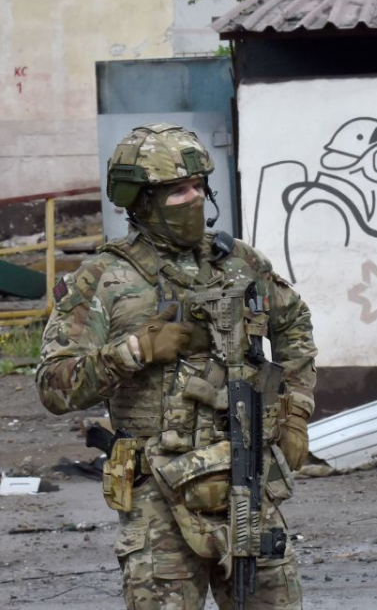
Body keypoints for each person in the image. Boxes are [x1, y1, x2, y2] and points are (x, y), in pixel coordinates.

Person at [36, 123, 318, 610]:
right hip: (158, 499)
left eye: (197, 187)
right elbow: (53, 386)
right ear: (140, 201)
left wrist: (296, 410)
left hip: (246, 482)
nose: (191, 200)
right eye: (175, 192)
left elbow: (294, 324)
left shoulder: (239, 263)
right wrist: (134, 351)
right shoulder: (104, 279)